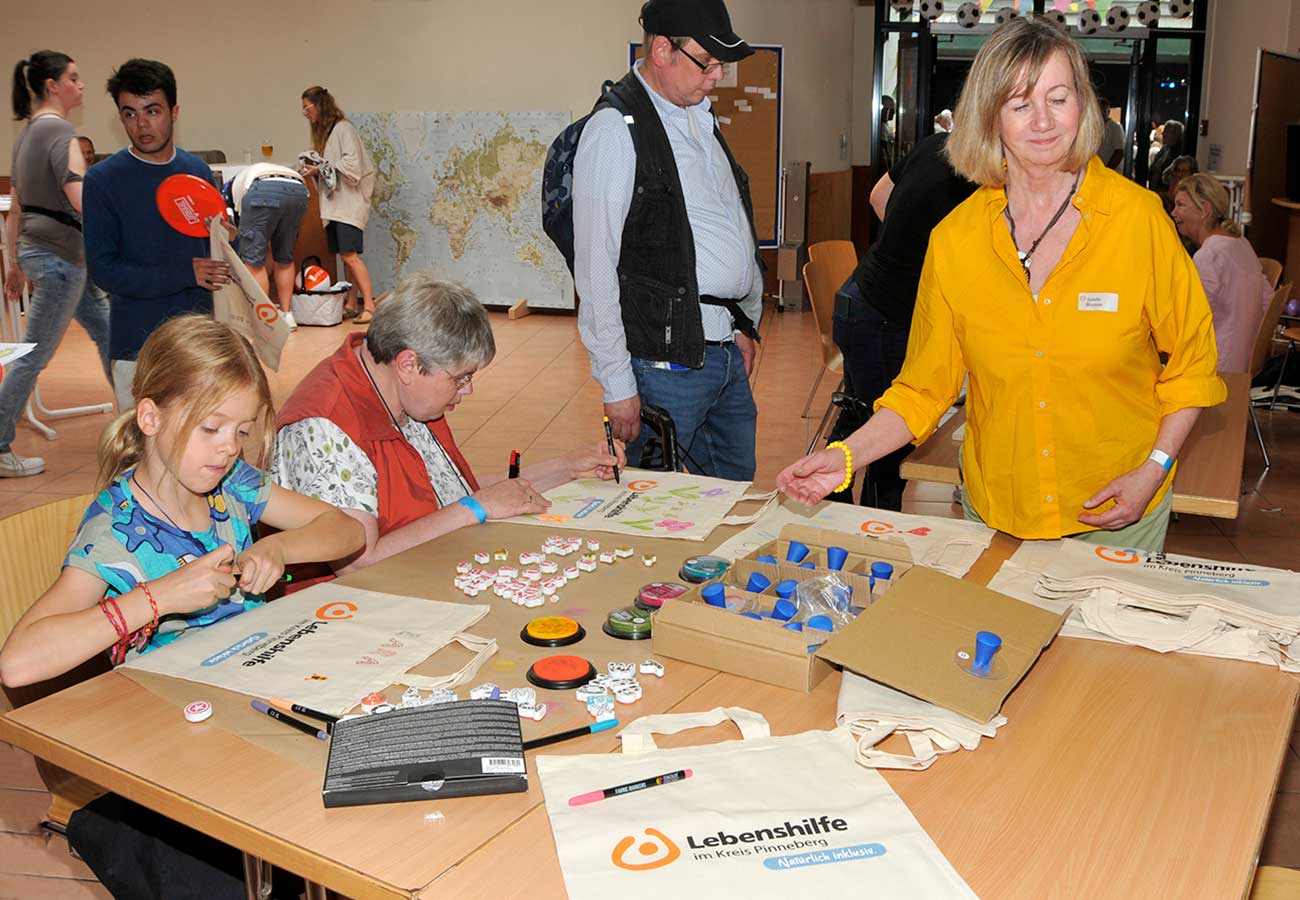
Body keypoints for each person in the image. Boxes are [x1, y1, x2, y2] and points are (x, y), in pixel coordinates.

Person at [777, 17, 1225, 552]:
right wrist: (846, 455)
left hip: (1121, 507)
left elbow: (1193, 362)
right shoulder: (957, 240)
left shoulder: (1138, 220)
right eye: (1019, 104)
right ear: (990, 120)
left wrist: (1154, 469)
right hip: (998, 511)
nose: (1043, 122)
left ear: (1083, 106)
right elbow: (922, 389)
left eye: (1058, 98)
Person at [0, 316, 363, 898]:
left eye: (242, 432)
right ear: (151, 418)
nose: (228, 448)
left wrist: (279, 545)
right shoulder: (115, 531)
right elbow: (18, 663)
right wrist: (161, 596)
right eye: (212, 428)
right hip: (176, 750)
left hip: (252, 711)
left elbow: (345, 531)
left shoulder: (234, 486)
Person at [274, 272, 624, 574]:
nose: (467, 390)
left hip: (427, 569)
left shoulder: (405, 393)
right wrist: (475, 508)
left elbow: (452, 492)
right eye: (460, 378)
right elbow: (360, 562)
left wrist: (568, 468)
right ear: (409, 365)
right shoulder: (324, 427)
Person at [573, 0, 763, 481]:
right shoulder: (615, 130)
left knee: (734, 497)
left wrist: (741, 324)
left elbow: (724, 221)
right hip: (663, 367)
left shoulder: (699, 117)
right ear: (662, 50)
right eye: (709, 62)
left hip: (720, 349)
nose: (717, 75)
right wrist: (617, 383)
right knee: (660, 506)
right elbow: (596, 269)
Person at [829, 130, 976, 510]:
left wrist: (901, 242)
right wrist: (919, 265)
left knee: (863, 411)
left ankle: (831, 505)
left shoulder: (939, 142)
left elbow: (878, 196)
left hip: (860, 294)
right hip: (884, 311)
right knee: (893, 436)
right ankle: (875, 527)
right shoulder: (984, 181)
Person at [83, 58, 231, 412]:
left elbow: (213, 257)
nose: (142, 124)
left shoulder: (195, 170)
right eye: (130, 114)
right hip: (137, 346)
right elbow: (104, 270)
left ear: (174, 111)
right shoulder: (102, 180)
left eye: (152, 111)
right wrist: (185, 272)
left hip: (196, 340)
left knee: (199, 451)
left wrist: (226, 238)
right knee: (141, 456)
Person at [1, 50, 112, 478]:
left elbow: (17, 208)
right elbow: (80, 197)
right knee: (33, 355)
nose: (81, 85)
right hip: (61, 258)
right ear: (53, 86)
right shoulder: (61, 132)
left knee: (108, 333)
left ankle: (138, 422)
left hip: (46, 253)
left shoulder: (26, 134)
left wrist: (13, 263)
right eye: (74, 77)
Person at [1173, 173, 1271, 374]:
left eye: (1181, 205)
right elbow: (1268, 299)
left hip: (1218, 369)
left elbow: (1191, 322)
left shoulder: (1208, 256)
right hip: (1246, 364)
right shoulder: (1241, 242)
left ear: (1205, 210)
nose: (1174, 213)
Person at [300, 86, 376, 323]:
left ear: (320, 105)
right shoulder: (328, 135)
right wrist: (316, 167)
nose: (305, 113)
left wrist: (320, 167)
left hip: (348, 204)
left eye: (307, 108)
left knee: (350, 256)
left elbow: (352, 165)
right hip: (336, 206)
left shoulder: (344, 128)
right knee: (346, 257)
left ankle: (369, 306)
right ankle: (352, 302)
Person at [227, 162, 310, 329]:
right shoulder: (243, 178)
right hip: (299, 190)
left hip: (262, 187)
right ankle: (287, 316)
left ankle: (263, 320)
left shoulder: (226, 194)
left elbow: (231, 232)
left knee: (252, 261)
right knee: (285, 257)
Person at [1148, 119, 1184, 193]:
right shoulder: (1165, 149)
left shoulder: (1180, 154)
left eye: (1167, 131)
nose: (1163, 133)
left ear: (1175, 134)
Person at [1097, 97, 1124, 169]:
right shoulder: (1095, 127)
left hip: (1109, 173)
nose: (1099, 113)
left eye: (1102, 110)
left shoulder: (1115, 127)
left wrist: (1107, 170)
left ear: (1108, 112)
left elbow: (1119, 152)